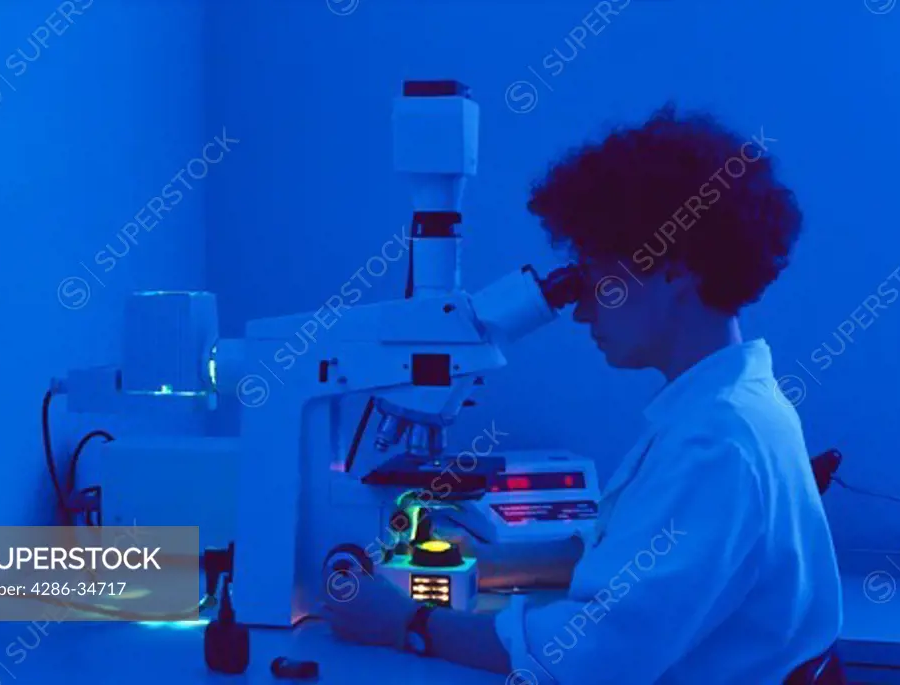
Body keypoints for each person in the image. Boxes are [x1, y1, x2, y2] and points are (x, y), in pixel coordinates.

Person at [324, 104, 843, 684]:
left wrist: (404, 622)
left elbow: (592, 657)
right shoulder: (731, 403)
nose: (583, 310)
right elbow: (629, 557)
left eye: (596, 277)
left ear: (673, 273)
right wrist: (491, 566)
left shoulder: (717, 441)